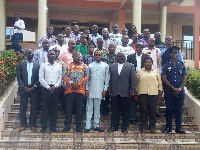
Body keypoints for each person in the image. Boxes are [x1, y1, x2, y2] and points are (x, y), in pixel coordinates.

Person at [107, 52, 136, 133]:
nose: (122, 58)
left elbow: (133, 80)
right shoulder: (112, 67)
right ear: (117, 57)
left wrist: (132, 90)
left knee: (125, 111)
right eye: (120, 56)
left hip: (126, 92)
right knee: (115, 111)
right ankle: (114, 126)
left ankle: (124, 127)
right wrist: (110, 90)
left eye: (123, 56)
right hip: (115, 92)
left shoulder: (130, 66)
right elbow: (110, 80)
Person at [62, 51, 89, 132]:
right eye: (75, 55)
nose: (77, 57)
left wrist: (79, 84)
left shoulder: (85, 66)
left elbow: (87, 76)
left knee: (80, 109)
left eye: (79, 56)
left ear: (81, 57)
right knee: (68, 109)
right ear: (72, 57)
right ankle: (67, 126)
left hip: (80, 91)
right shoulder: (68, 66)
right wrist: (71, 83)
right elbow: (64, 76)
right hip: (70, 90)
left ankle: (78, 127)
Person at [162, 47, 187, 134]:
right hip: (169, 91)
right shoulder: (166, 65)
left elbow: (184, 77)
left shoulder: (181, 64)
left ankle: (178, 128)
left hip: (180, 91)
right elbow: (164, 78)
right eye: (173, 53)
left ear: (177, 54)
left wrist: (180, 88)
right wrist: (173, 88)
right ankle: (168, 127)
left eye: (176, 53)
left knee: (179, 110)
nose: (175, 54)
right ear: (170, 54)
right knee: (169, 109)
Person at [84, 50, 110, 133]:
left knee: (97, 109)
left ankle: (96, 125)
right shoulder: (90, 66)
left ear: (101, 56)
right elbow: (87, 79)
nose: (98, 56)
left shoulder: (105, 66)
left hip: (100, 90)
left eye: (99, 55)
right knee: (89, 108)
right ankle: (87, 126)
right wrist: (87, 89)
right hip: (91, 90)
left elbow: (107, 79)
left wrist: (105, 89)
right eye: (96, 55)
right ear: (94, 56)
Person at [136, 56, 163, 133]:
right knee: (143, 110)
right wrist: (136, 93)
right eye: (146, 62)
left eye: (150, 62)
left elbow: (159, 83)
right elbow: (136, 83)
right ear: (144, 63)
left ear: (152, 63)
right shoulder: (139, 72)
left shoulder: (156, 72)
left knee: (152, 110)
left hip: (153, 93)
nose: (148, 63)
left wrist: (160, 93)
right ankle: (143, 126)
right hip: (142, 93)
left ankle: (152, 126)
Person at [39, 50, 62, 133]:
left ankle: (53, 126)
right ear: (48, 56)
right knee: (44, 108)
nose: (53, 55)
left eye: (54, 54)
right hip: (45, 89)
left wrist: (55, 86)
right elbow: (41, 78)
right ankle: (43, 127)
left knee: (54, 108)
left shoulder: (58, 66)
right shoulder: (43, 66)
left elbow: (60, 78)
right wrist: (48, 87)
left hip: (56, 89)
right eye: (51, 54)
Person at [17, 49, 39, 132]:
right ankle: (23, 124)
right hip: (24, 89)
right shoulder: (21, 65)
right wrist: (23, 87)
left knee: (34, 107)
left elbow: (38, 78)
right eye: (28, 53)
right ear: (25, 55)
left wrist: (35, 86)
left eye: (31, 53)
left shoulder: (37, 65)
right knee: (23, 107)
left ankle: (32, 124)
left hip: (34, 89)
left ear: (33, 54)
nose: (30, 54)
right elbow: (19, 77)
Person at [127, 42, 148, 124]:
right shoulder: (130, 57)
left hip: (143, 79)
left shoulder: (146, 57)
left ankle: (143, 119)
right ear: (135, 47)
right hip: (133, 79)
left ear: (142, 48)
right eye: (138, 47)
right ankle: (132, 118)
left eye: (141, 47)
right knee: (133, 100)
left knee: (143, 99)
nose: (139, 48)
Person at [101, 43, 117, 116]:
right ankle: (104, 109)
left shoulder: (117, 57)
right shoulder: (104, 56)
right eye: (110, 47)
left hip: (115, 78)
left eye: (113, 47)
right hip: (105, 77)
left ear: (115, 48)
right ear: (108, 48)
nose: (112, 48)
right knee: (105, 93)